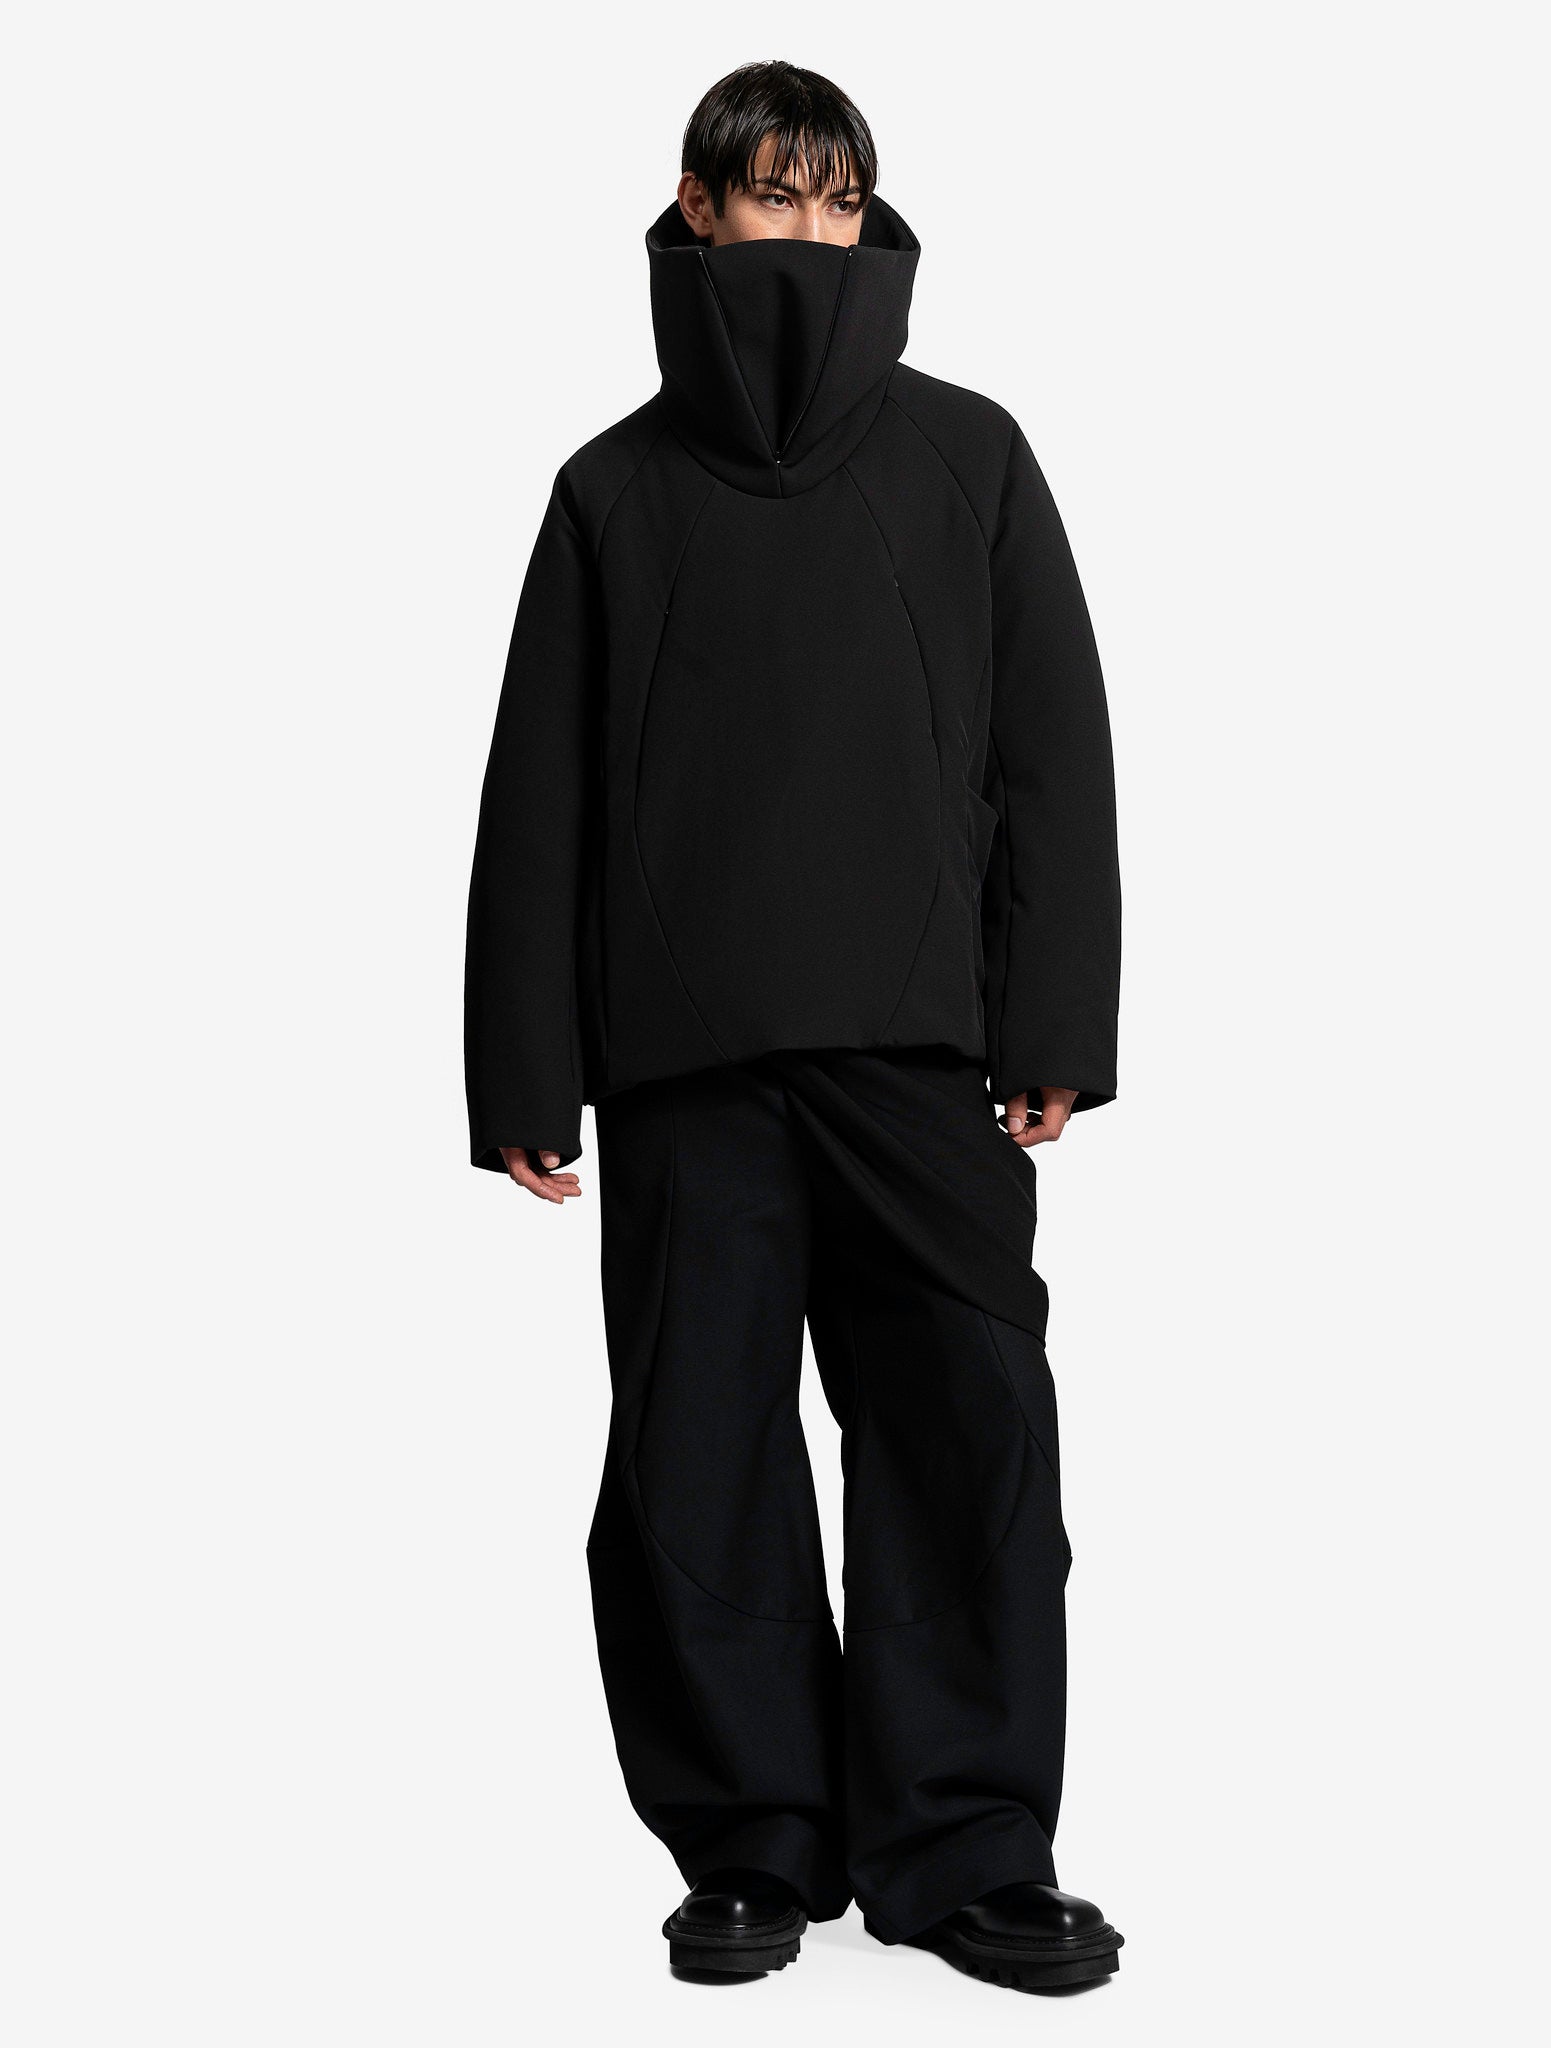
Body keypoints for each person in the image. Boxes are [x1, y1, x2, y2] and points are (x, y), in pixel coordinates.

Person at [464, 60, 1124, 1992]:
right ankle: (751, 1839)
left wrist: (1052, 1016)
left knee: (969, 1436)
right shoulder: (610, 491)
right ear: (696, 209)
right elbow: (537, 798)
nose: (810, 237)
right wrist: (523, 1065)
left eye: (840, 202)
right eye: (775, 198)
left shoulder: (968, 458)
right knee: (696, 1455)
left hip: (919, 1049)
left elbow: (1051, 758)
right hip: (686, 1058)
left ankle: (970, 1842)